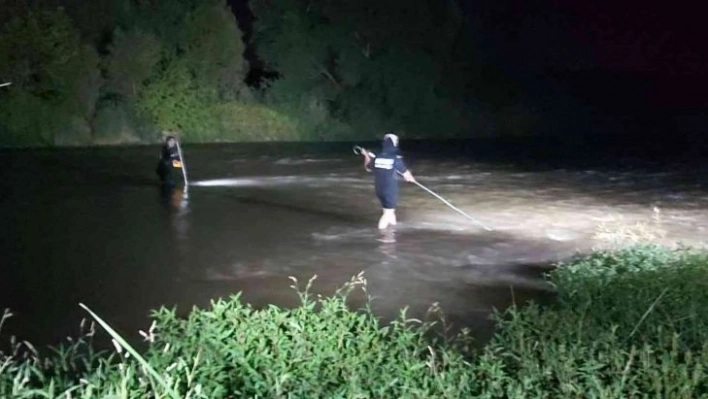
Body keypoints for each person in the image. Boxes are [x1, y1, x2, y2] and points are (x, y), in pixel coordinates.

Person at [361, 133, 416, 230]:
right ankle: (381, 235)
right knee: (388, 213)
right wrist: (411, 178)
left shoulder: (377, 157)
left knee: (389, 212)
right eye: (396, 142)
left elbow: (368, 168)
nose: (396, 144)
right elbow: (407, 176)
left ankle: (392, 231)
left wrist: (366, 155)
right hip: (389, 190)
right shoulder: (396, 159)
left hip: (379, 190)